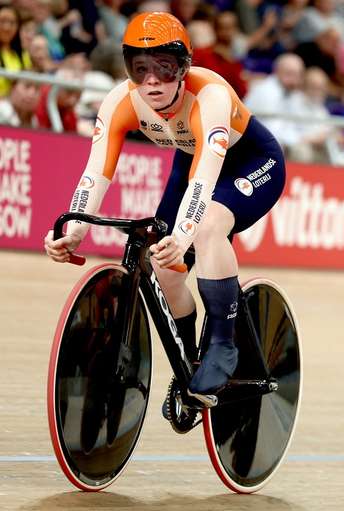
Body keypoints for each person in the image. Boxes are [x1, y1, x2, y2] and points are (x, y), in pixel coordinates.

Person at [43, 12, 286, 411]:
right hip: (190, 162)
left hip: (250, 163)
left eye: (164, 68)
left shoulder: (210, 95)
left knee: (207, 227)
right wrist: (74, 232)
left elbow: (205, 181)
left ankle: (224, 345)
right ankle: (188, 359)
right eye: (140, 69)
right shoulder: (121, 100)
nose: (152, 81)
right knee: (162, 264)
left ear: (184, 68)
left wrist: (184, 235)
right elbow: (95, 174)